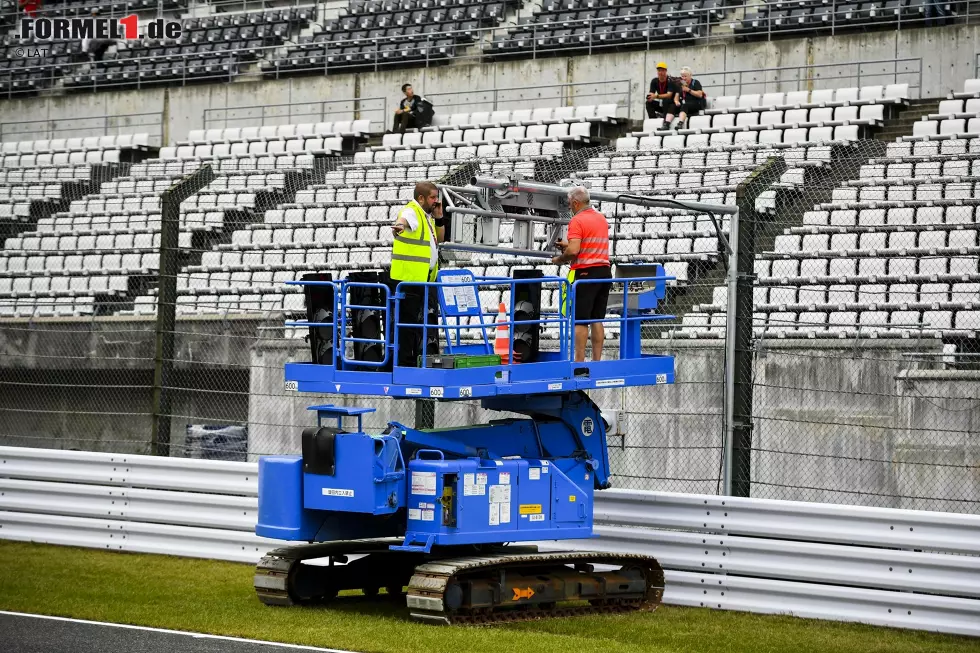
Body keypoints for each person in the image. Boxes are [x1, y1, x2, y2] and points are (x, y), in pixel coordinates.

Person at [389, 180, 446, 367]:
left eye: (437, 197)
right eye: (432, 197)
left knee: (415, 323)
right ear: (421, 198)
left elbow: (441, 238)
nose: (436, 201)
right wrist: (400, 225)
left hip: (422, 280)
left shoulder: (426, 216)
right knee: (407, 324)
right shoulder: (413, 210)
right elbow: (404, 219)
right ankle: (405, 363)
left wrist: (439, 217)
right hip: (408, 279)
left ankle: (411, 360)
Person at [552, 186, 611, 363]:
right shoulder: (601, 219)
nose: (570, 208)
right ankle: (596, 361)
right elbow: (588, 244)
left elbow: (574, 252)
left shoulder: (577, 221)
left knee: (580, 320)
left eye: (570, 205)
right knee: (597, 318)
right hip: (604, 271)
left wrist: (560, 258)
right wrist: (567, 245)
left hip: (586, 273)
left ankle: (579, 362)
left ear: (576, 203)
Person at [661, 66, 706, 131]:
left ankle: (680, 124)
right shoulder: (681, 84)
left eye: (685, 76)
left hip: (697, 103)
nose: (684, 78)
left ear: (690, 75)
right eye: (682, 76)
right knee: (672, 106)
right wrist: (676, 102)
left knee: (685, 105)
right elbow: (676, 97)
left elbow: (700, 94)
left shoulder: (695, 82)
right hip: (685, 104)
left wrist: (688, 90)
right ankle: (666, 124)